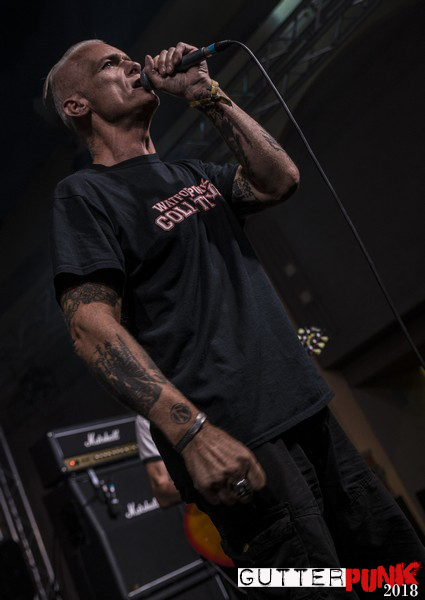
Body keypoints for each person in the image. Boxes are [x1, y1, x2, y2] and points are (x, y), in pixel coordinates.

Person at [46, 40, 424, 598]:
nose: (132, 64)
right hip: (238, 440)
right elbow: (89, 327)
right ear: (77, 106)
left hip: (308, 412)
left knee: (396, 579)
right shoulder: (84, 194)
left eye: (129, 58)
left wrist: (207, 95)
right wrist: (191, 434)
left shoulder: (191, 173)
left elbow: (279, 179)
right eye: (110, 64)